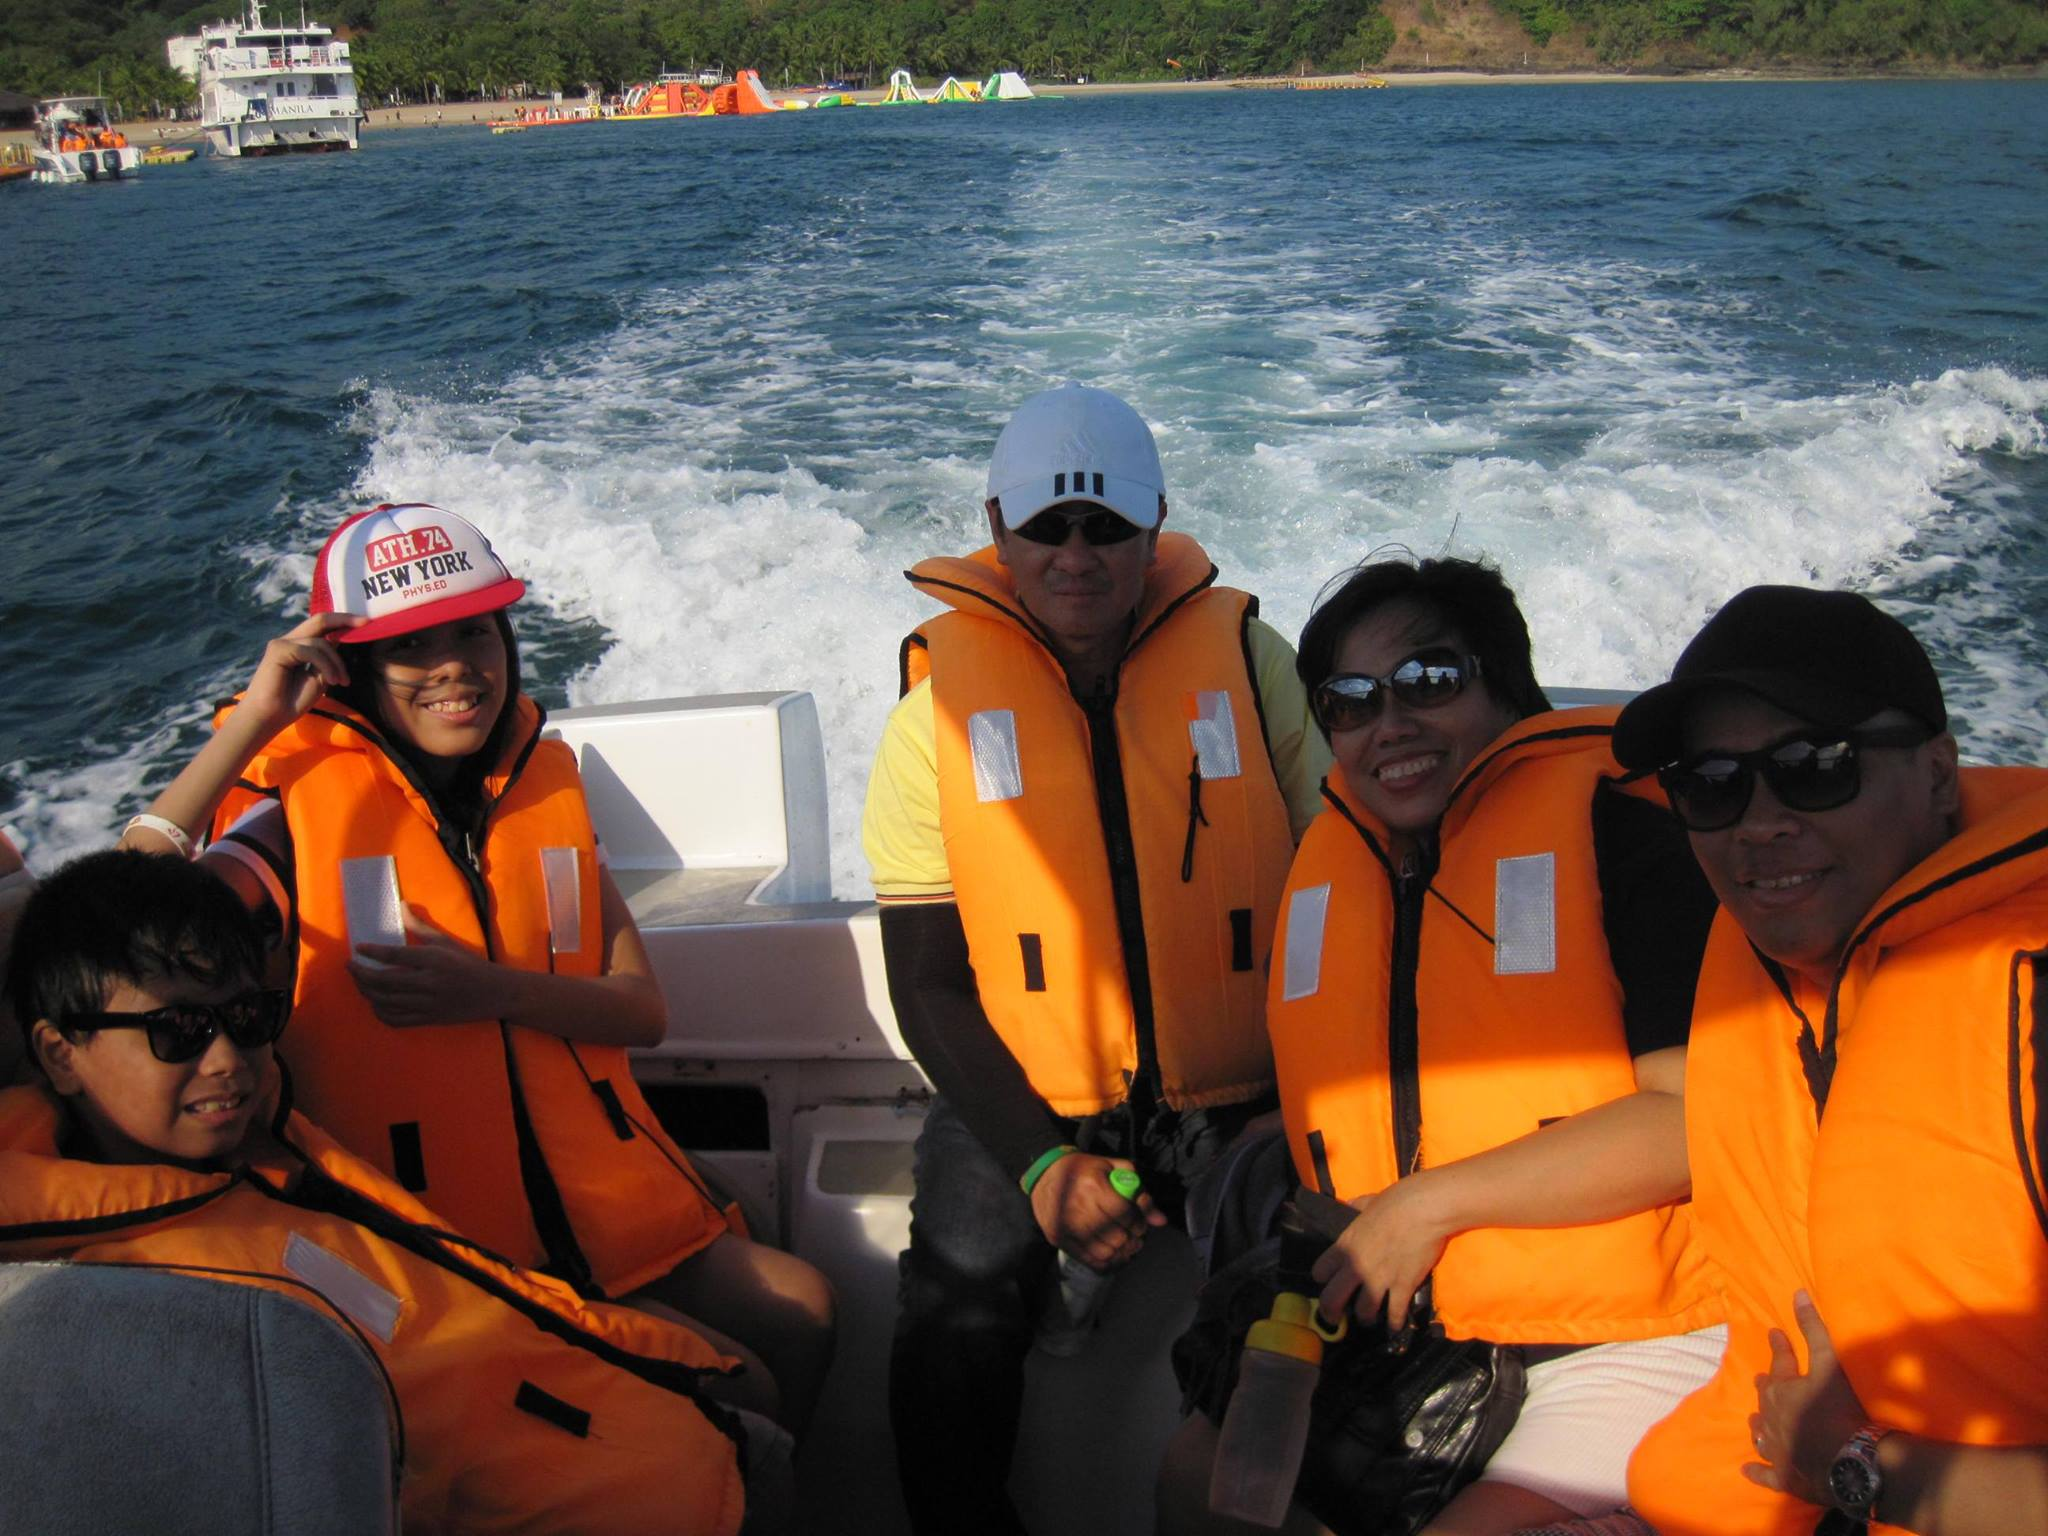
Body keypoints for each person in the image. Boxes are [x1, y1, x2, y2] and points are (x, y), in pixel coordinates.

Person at [118, 502, 834, 1434]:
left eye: (475, 630)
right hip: (437, 1244)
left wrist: (488, 991)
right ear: (353, 670)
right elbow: (120, 915)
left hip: (583, 1194)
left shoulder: (540, 787)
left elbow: (640, 1011)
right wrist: (253, 722)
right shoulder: (293, 821)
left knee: (806, 1309)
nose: (456, 664)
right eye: (412, 645)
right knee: (738, 1393)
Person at [1161, 555, 1727, 1536]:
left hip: (1619, 1331)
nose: (1390, 724)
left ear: (1506, 686)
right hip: (1413, 1315)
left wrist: (1428, 1205)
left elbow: (1693, 1121)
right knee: (1194, 1487)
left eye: (1427, 680)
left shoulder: (1623, 841)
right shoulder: (1342, 869)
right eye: (1348, 701)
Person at [862, 382, 1331, 1533]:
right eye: (1047, 527)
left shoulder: (1251, 659)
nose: (1077, 553)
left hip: (1243, 1083)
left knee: (1323, 1293)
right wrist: (1038, 1166)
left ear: (1155, 522)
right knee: (952, 1309)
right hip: (1027, 1090)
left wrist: (1304, 1099)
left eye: (1108, 526)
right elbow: (924, 982)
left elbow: (1341, 891)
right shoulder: (933, 716)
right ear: (995, 529)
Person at [0, 849, 767, 1536]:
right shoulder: (109, 1291)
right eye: (178, 1031)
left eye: (246, 1017)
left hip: (581, 1414)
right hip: (554, 1485)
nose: (227, 1058)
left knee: (759, 1383)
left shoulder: (264, 1143)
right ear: (59, 1054)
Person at [1611, 585, 2048, 1536]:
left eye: (1817, 767)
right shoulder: (1769, 961)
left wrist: (1862, 1468)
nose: (1757, 823)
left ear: (1938, 775)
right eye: (1711, 785)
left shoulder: (2031, 1006)